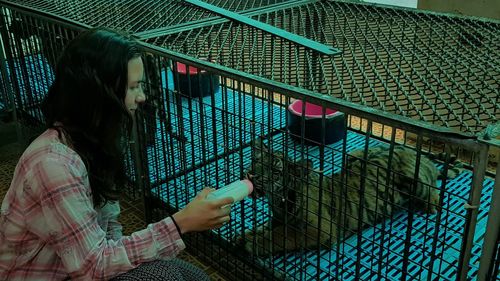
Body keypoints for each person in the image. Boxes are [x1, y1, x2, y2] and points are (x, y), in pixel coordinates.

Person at [0, 27, 233, 281]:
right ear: (99, 94)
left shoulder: (92, 143)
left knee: (191, 275)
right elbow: (92, 268)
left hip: (77, 264)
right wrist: (182, 223)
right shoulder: (53, 165)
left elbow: (108, 227)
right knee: (167, 275)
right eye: (133, 87)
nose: (142, 96)